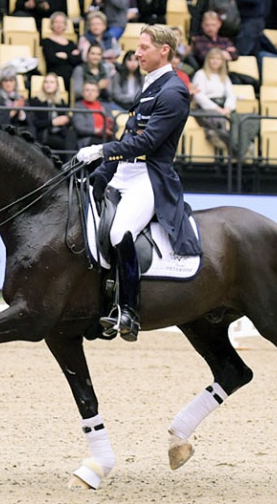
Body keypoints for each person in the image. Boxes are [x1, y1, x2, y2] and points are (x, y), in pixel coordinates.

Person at [75, 24, 202, 341]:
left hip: (150, 177)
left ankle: (128, 309)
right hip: (124, 172)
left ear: (164, 51)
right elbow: (128, 137)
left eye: (144, 47)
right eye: (137, 46)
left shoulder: (174, 91)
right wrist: (100, 172)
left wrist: (102, 149)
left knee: (120, 232)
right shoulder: (149, 87)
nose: (137, 52)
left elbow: (147, 142)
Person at [191, 47, 234, 150]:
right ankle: (236, 148)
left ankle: (220, 139)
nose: (215, 61)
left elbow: (231, 95)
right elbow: (199, 96)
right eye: (212, 58)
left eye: (218, 59)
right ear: (208, 60)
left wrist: (227, 108)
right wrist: (217, 109)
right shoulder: (200, 74)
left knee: (242, 121)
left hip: (223, 106)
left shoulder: (225, 77)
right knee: (217, 118)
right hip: (206, 108)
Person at [29, 72, 75, 160]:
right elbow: (35, 122)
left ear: (57, 86)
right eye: (46, 82)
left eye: (52, 82)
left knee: (72, 135)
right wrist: (52, 122)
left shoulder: (61, 102)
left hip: (61, 133)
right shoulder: (36, 102)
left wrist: (67, 119)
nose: (48, 85)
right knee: (63, 143)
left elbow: (69, 120)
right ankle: (67, 165)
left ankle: (70, 165)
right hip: (45, 133)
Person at [41, 11, 82, 92]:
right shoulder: (47, 42)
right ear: (52, 24)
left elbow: (78, 60)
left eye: (62, 22)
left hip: (72, 73)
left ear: (65, 25)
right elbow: (51, 59)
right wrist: (70, 56)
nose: (59, 25)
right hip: (56, 73)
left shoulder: (71, 43)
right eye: (56, 22)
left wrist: (65, 56)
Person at [0, 65, 33, 131]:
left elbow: (30, 122)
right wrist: (13, 111)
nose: (8, 84)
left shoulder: (21, 99)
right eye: (5, 81)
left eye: (11, 80)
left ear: (15, 83)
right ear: (1, 83)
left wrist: (21, 113)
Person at [72, 80, 114, 148]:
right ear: (82, 93)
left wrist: (111, 127)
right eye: (87, 90)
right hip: (89, 139)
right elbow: (79, 128)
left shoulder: (105, 107)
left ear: (97, 93)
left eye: (93, 90)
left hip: (107, 138)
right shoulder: (78, 107)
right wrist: (98, 131)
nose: (90, 93)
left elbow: (115, 124)